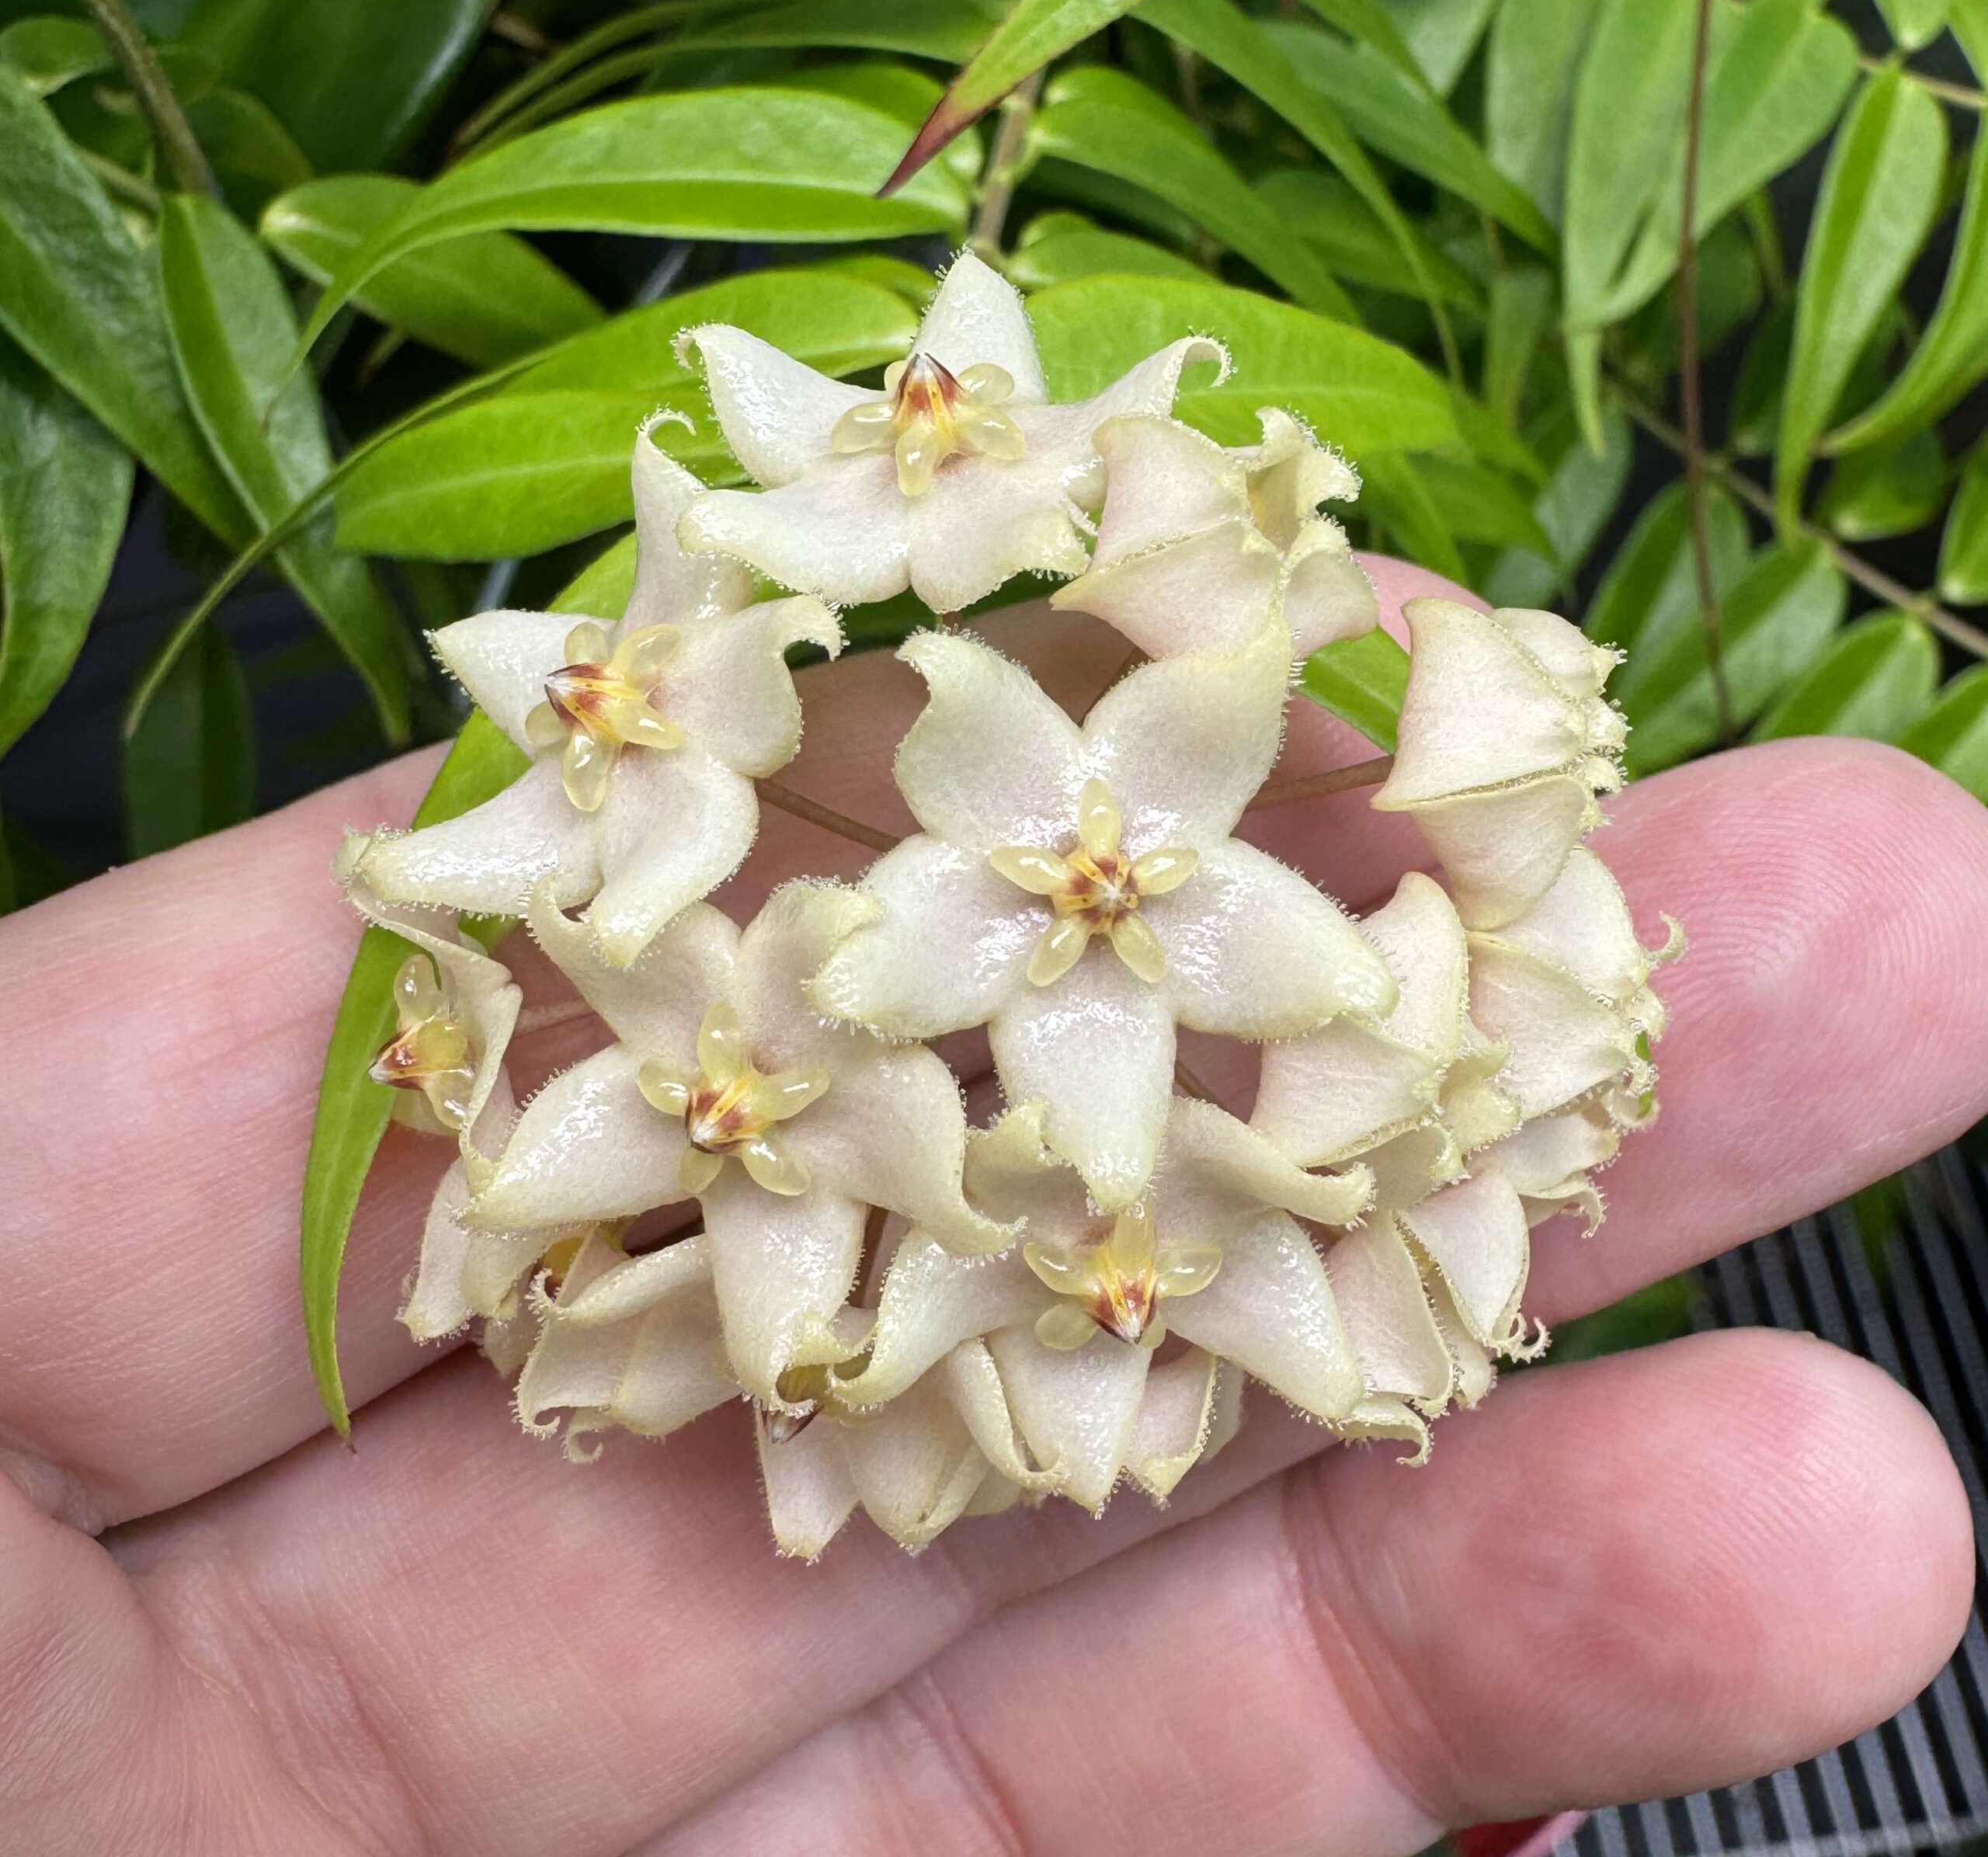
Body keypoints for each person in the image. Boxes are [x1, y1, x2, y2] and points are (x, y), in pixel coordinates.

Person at [1, 571, 1982, 1855]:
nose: (1104, 884)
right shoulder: (814, 982)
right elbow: (851, 1014)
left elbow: (1027, 1143)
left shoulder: (1067, 1067)